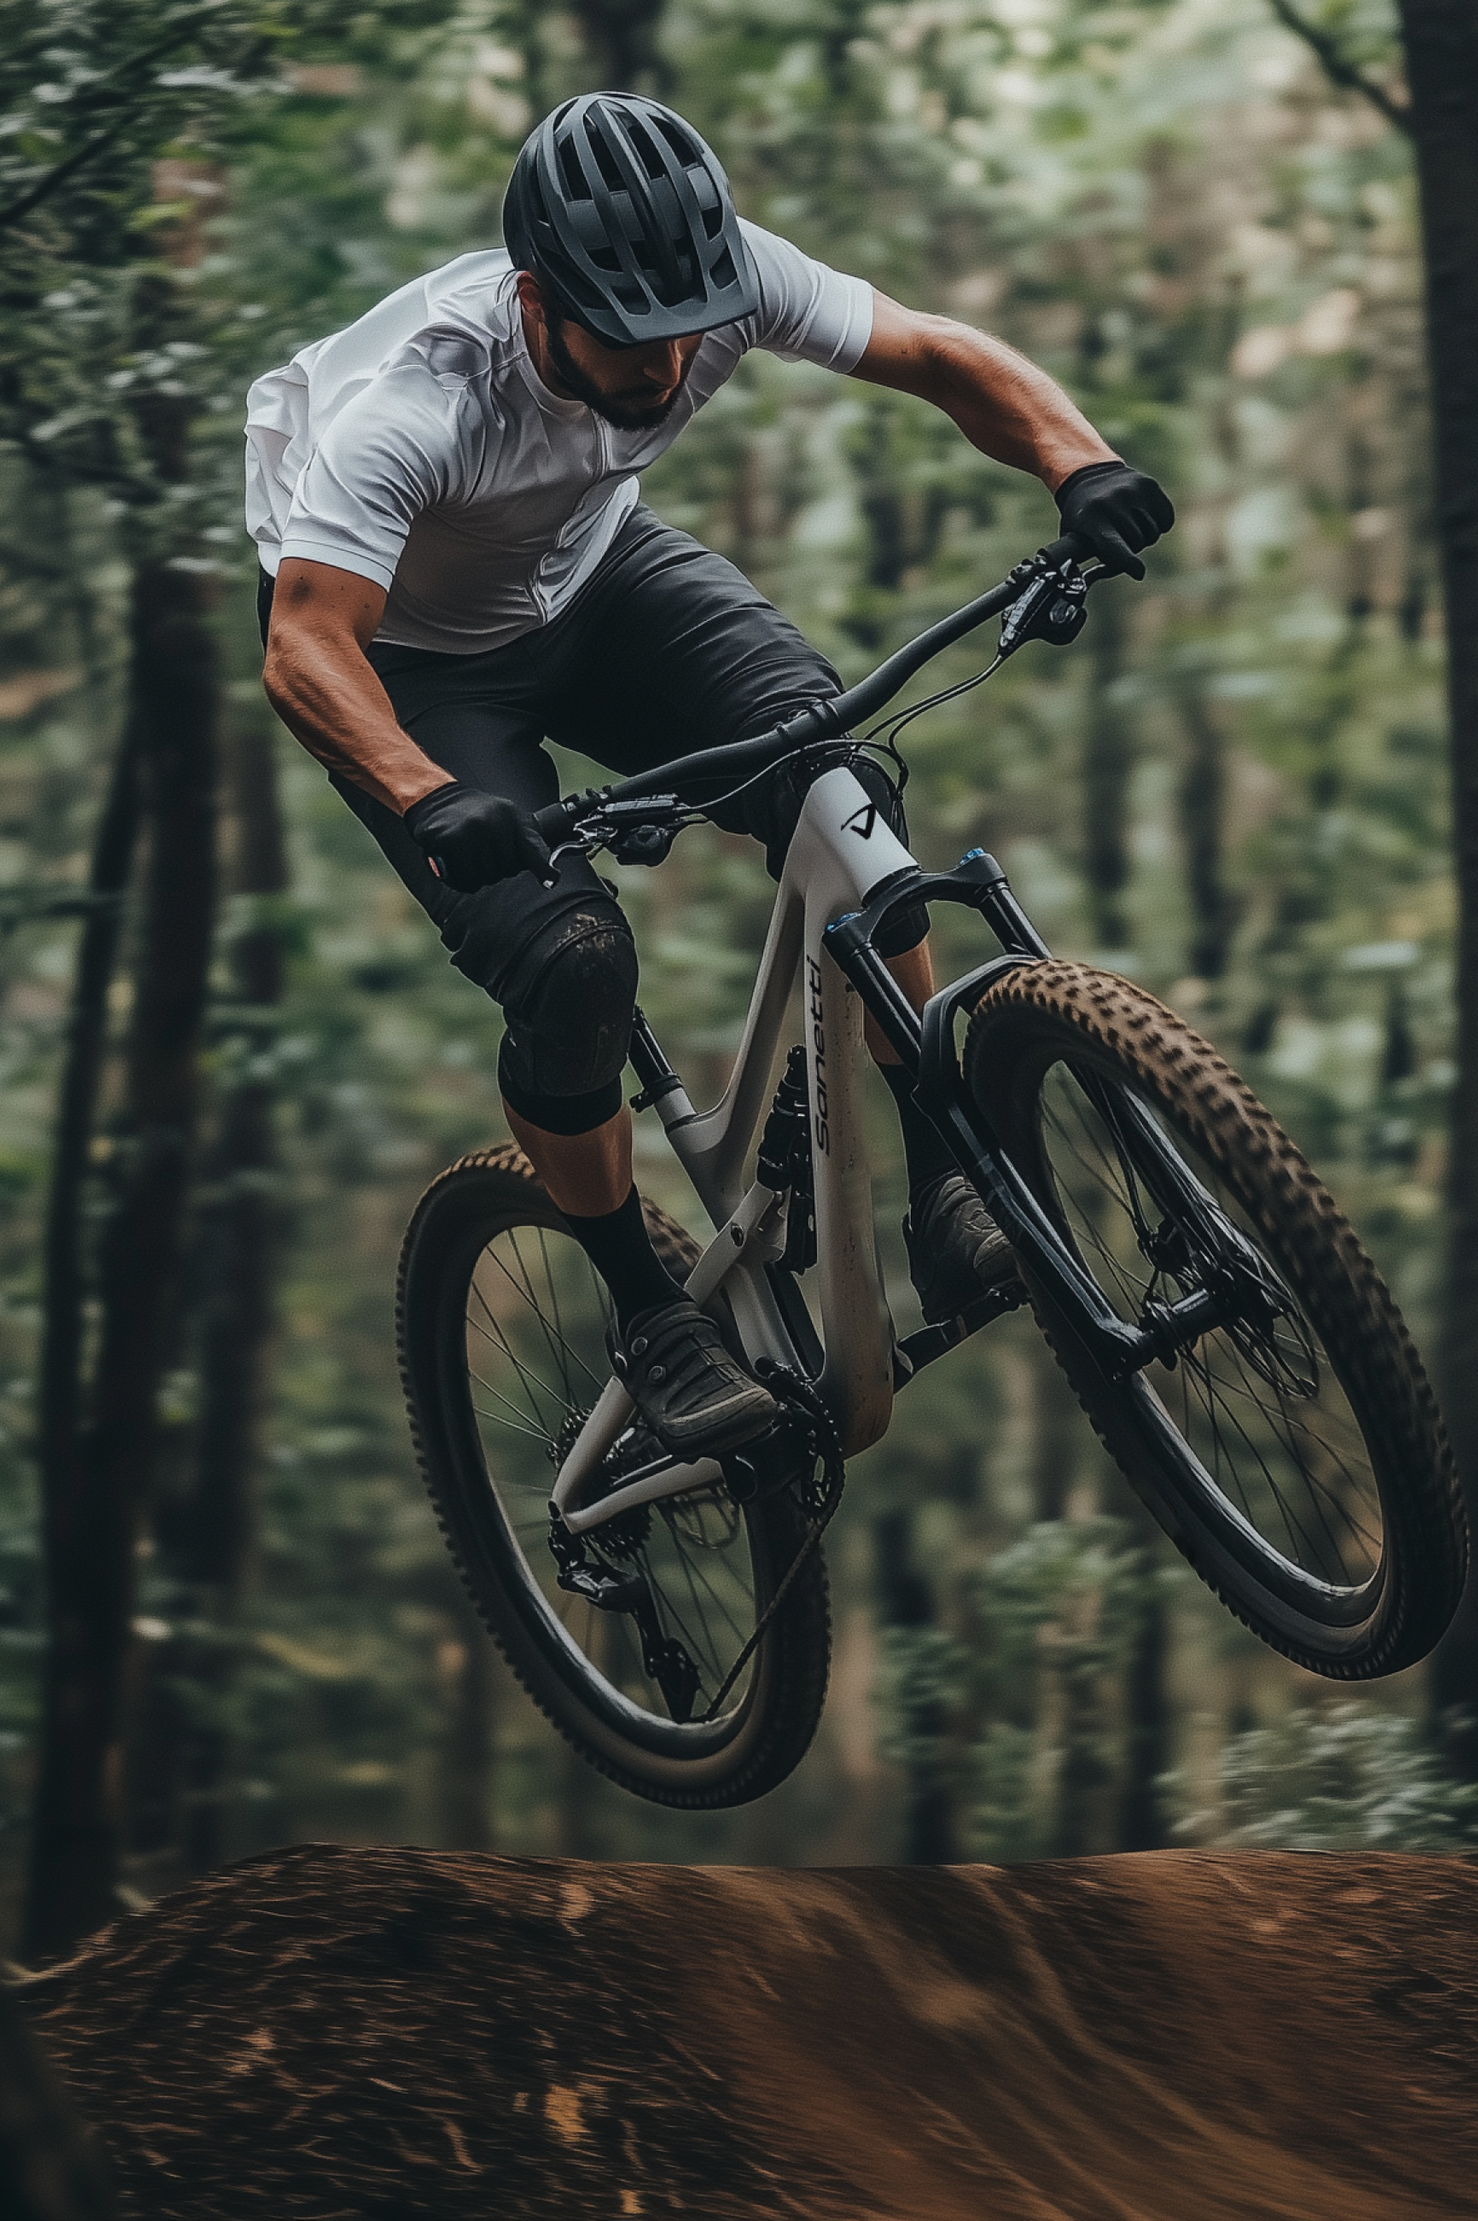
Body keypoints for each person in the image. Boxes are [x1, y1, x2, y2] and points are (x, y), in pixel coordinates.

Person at [249, 92, 1173, 1460]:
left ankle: (947, 1179)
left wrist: (1076, 460)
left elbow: (935, 351)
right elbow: (305, 646)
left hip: (596, 573)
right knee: (568, 963)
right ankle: (650, 1314)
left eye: (689, 327)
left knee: (836, 786)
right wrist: (425, 791)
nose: (671, 361)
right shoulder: (417, 404)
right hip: (412, 659)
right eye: (630, 338)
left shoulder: (724, 284)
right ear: (538, 300)